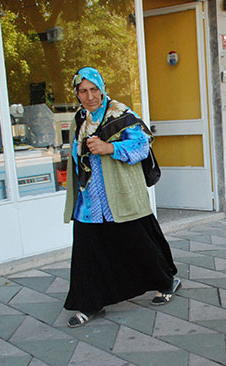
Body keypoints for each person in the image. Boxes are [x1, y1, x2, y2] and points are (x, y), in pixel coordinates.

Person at [63, 67, 181, 327]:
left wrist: (110, 147)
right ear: (77, 94)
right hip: (90, 201)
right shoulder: (80, 119)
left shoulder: (119, 113)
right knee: (87, 251)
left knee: (140, 243)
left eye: (94, 89)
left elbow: (142, 145)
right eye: (83, 91)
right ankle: (89, 302)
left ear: (102, 88)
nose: (90, 96)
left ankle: (167, 281)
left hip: (121, 195)